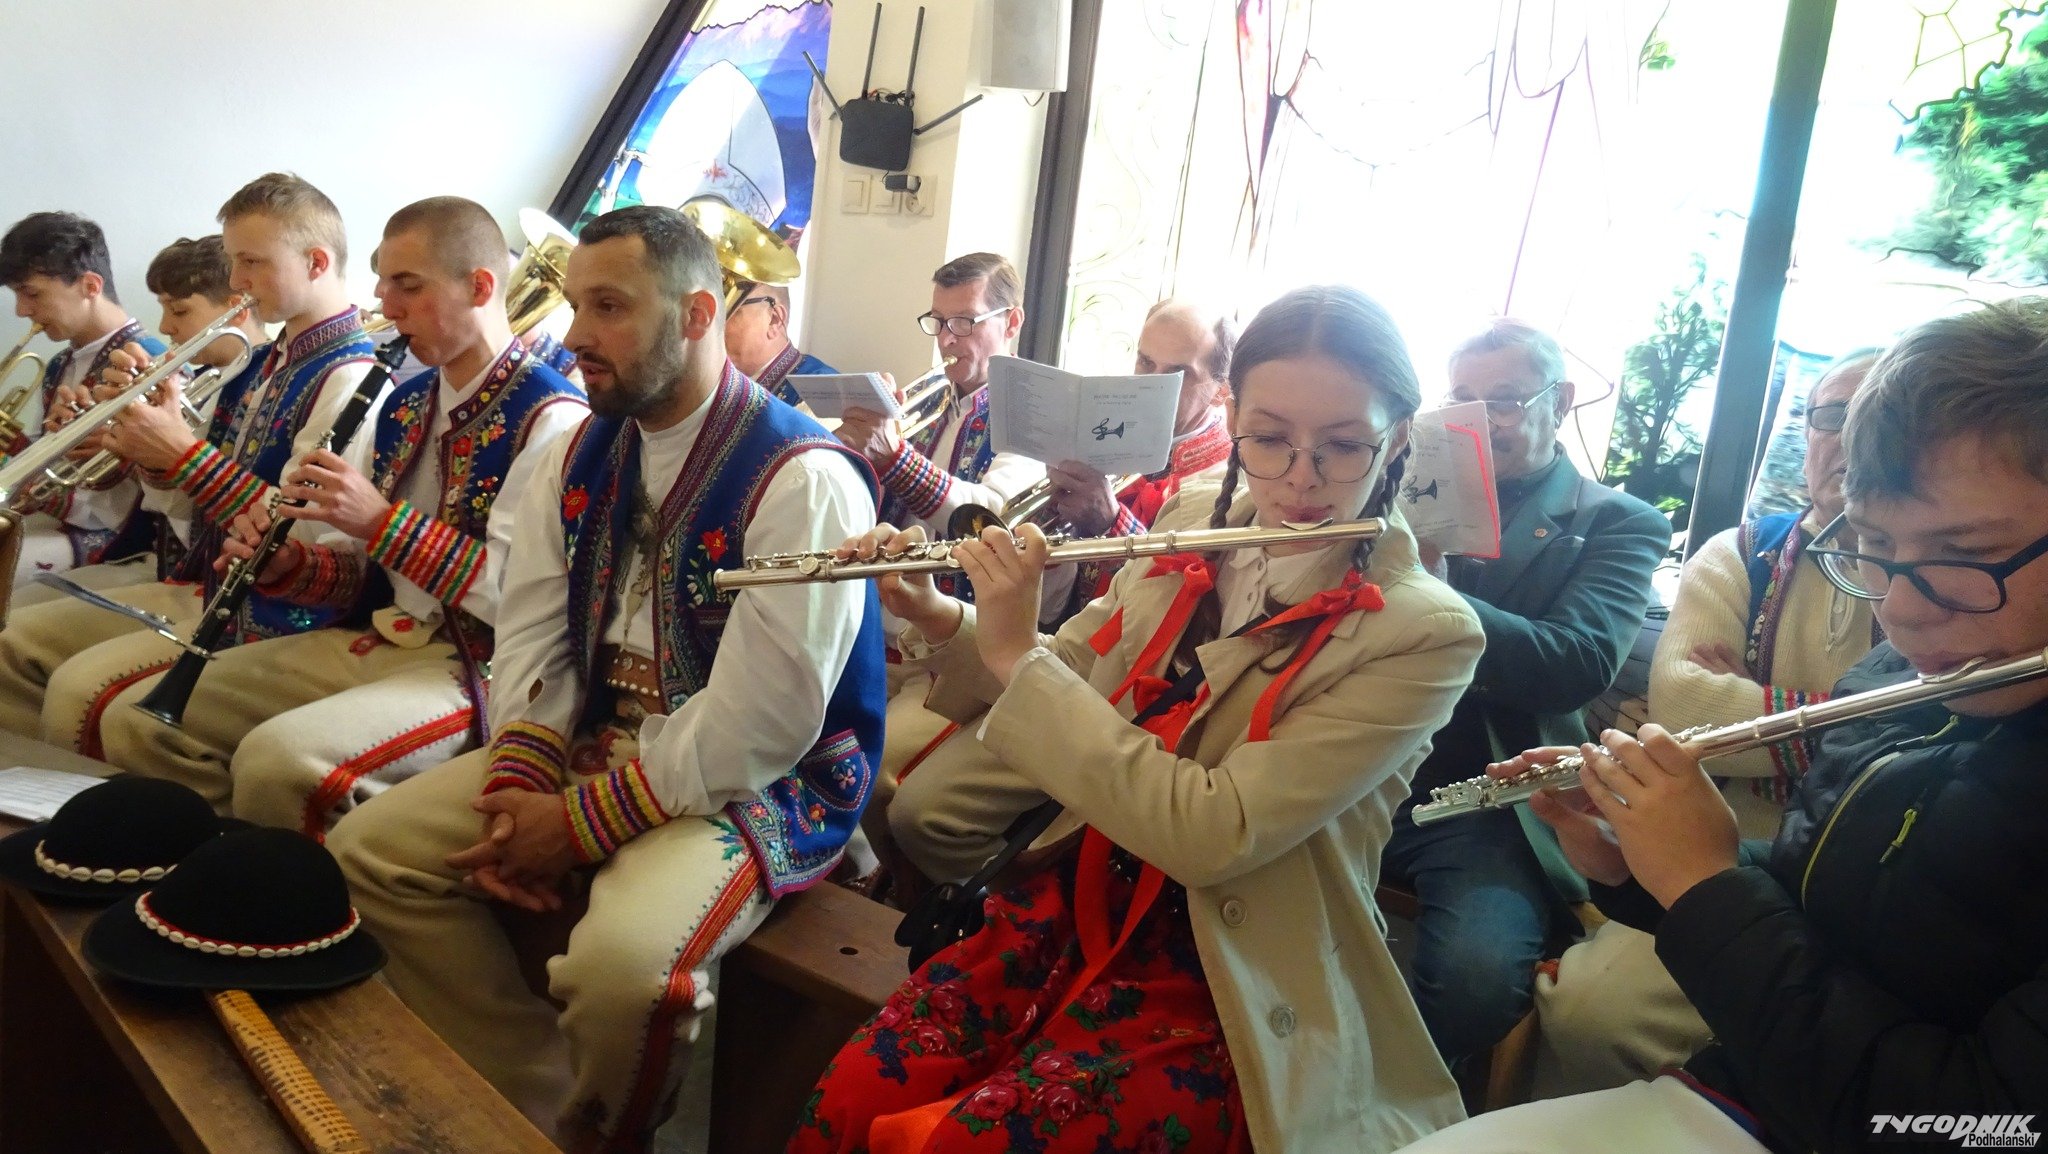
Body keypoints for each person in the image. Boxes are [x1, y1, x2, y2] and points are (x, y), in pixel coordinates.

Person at [792, 286, 1485, 1154]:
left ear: (1400, 438)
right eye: (1268, 438)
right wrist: (939, 611)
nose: (1301, 478)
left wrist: (1017, 657)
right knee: (851, 1097)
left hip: (1230, 967)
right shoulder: (1193, 516)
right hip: (1073, 898)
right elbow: (1079, 665)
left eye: (1344, 446)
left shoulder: (1425, 631)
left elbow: (1212, 832)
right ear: (1232, 418)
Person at [1396, 297, 2048, 1154]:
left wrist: (1706, 885)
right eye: (1876, 549)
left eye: (1963, 555)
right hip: (1758, 1089)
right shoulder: (1909, 677)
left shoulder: (1614, 521)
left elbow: (1979, 1122)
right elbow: (1837, 903)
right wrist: (1642, 864)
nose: (1898, 613)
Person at [327, 205, 885, 1152]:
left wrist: (577, 824)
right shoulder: (580, 449)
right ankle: (527, 1105)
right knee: (372, 852)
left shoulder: (803, 478)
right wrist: (519, 776)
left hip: (753, 781)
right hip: (596, 740)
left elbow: (763, 722)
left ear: (698, 315)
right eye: (578, 303)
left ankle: (606, 1134)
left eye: (611, 308)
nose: (577, 333)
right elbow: (535, 630)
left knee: (624, 970)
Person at [95, 196, 586, 831]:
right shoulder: (409, 400)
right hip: (377, 633)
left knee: (279, 762)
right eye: (382, 281)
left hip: (473, 667)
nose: (386, 303)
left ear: (480, 287)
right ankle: (196, 864)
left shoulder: (553, 418)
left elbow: (519, 599)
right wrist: (288, 565)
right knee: (135, 719)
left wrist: (381, 523)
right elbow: (363, 577)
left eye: (408, 285)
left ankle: (267, 885)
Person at [1525, 349, 1886, 1099]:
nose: (1849, 438)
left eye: (1875, 418)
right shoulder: (1743, 553)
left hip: (1874, 879)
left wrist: (1752, 705)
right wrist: (1859, 723)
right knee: (1590, 1012)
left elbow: (1931, 720)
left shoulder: (1935, 574)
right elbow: (1687, 711)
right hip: (1712, 855)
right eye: (1831, 416)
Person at [1377, 319, 1670, 1075]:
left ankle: (1406, 1109)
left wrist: (1426, 590)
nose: (1480, 423)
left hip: (1487, 797)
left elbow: (1576, 663)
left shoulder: (1616, 522)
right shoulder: (1395, 492)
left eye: (1503, 401)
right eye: (1463, 402)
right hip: (1356, 765)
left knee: (1474, 984)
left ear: (1560, 402)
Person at [0, 174, 379, 757]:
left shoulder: (348, 376)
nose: (236, 281)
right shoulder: (263, 362)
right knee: (13, 641)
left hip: (276, 614)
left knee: (79, 688)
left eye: (250, 262)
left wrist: (181, 453)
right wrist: (148, 450)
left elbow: (301, 535)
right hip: (202, 583)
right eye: (233, 261)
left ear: (316, 262)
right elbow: (185, 514)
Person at [873, 297, 1236, 886]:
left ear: (1220, 390)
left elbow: (1176, 604)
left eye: (1175, 374)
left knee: (919, 806)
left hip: (1123, 695)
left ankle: (1000, 912)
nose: (1148, 385)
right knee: (894, 783)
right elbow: (1067, 598)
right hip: (1056, 646)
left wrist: (1107, 521)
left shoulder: (1221, 477)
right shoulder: (1112, 438)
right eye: (1143, 363)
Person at [8, 234, 269, 607]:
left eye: (179, 311)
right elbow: (164, 504)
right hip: (170, 559)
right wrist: (86, 443)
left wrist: (137, 449)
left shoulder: (243, 385)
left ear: (236, 309)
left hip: (194, 572)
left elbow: (160, 514)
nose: (164, 327)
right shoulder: (205, 380)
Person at [0, 211, 165, 583]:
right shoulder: (59, 364)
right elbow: (57, 464)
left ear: (90, 285)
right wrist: (19, 447)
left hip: (114, 537)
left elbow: (128, 502)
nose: (21, 310)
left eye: (31, 293)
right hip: (52, 520)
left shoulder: (150, 362)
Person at [724, 279, 835, 405]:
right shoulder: (726, 384)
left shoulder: (824, 391)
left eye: (730, 309)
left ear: (774, 320)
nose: (713, 323)